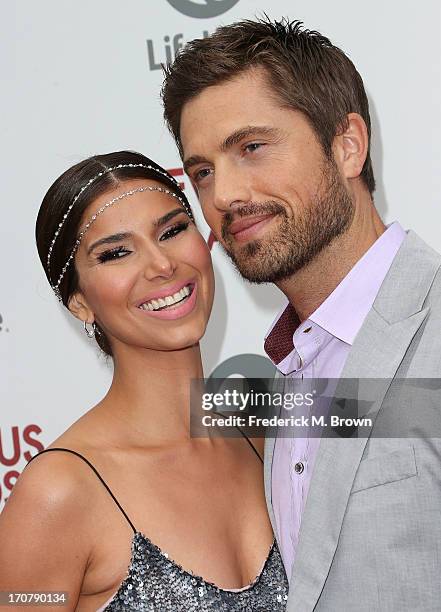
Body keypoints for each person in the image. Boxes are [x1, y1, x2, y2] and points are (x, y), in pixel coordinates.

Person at [161, 17, 441, 611]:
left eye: (252, 147)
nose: (225, 196)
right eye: (203, 171)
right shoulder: (291, 376)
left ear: (348, 145)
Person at [0, 151, 289, 610]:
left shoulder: (264, 424)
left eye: (172, 231)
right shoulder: (58, 494)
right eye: (116, 253)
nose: (161, 264)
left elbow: (413, 414)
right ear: (78, 302)